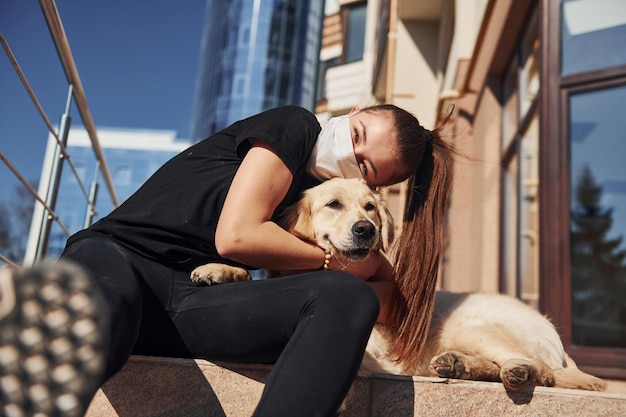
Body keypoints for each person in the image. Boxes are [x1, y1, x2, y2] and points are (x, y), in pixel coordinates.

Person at [0, 104, 454, 417]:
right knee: (105, 304)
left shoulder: (318, 205)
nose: (351, 155)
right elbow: (235, 235)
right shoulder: (296, 128)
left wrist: (365, 271)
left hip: (189, 300)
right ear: (353, 113)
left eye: (367, 168)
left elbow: (386, 300)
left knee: (348, 299)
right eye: (357, 136)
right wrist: (335, 261)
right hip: (122, 258)